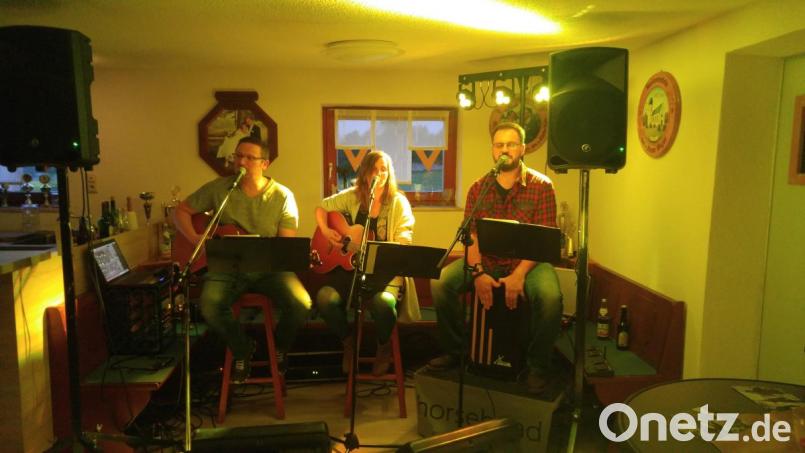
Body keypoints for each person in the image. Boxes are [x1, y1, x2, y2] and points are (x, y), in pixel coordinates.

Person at [428, 122, 562, 394]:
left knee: (550, 298)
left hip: (529, 262)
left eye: (511, 144)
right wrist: (477, 273)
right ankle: (457, 352)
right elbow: (472, 236)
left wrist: (519, 275)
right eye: (499, 145)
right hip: (485, 261)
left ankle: (537, 366)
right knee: (440, 283)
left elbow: (543, 240)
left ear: (522, 149)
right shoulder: (479, 188)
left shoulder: (542, 186)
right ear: (493, 150)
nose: (505, 150)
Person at [174, 136, 312, 383]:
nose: (241, 162)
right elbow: (181, 211)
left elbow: (285, 245)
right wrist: (195, 238)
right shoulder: (219, 189)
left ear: (265, 164)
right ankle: (242, 348)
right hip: (227, 268)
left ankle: (279, 348)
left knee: (301, 303)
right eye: (238, 156)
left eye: (249, 157)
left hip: (269, 269)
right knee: (210, 304)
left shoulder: (283, 196)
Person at [314, 150, 418, 376]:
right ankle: (348, 343)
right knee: (325, 298)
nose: (379, 174)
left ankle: (383, 346)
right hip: (351, 271)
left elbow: (405, 235)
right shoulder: (353, 196)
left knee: (383, 303)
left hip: (385, 272)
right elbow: (322, 207)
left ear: (390, 173)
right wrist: (326, 230)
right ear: (364, 173)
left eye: (384, 170)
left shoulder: (398, 202)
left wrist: (399, 244)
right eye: (374, 170)